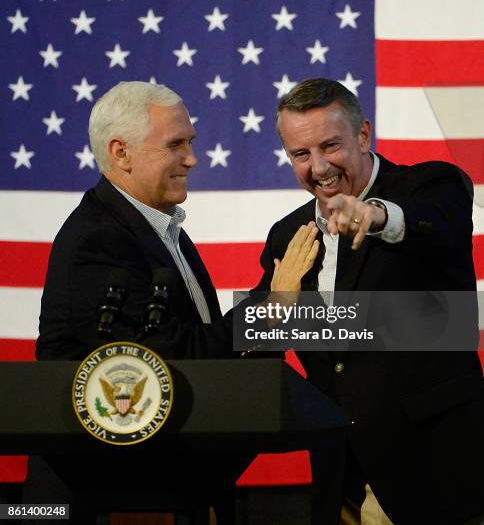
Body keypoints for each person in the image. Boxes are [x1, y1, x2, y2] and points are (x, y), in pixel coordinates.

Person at [29, 81, 315, 525]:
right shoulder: (99, 239)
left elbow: (202, 351)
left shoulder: (157, 231)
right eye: (175, 145)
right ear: (120, 152)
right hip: (112, 495)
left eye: (191, 143)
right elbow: (168, 358)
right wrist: (274, 306)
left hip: (173, 488)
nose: (192, 158)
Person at [250, 78, 484, 525]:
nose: (318, 167)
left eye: (330, 146)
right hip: (343, 477)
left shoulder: (430, 185)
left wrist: (377, 216)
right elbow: (267, 343)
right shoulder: (287, 235)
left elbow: (438, 224)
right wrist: (278, 301)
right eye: (301, 154)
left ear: (362, 135)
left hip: (435, 470)